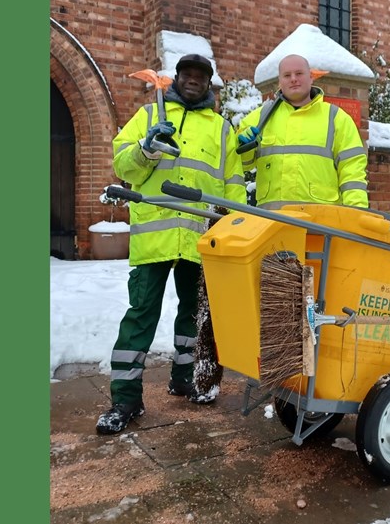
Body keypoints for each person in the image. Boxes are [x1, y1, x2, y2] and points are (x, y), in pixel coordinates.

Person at [96, 54, 246, 435]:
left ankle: (186, 379)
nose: (193, 80)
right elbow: (122, 165)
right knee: (141, 313)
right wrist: (146, 149)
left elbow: (232, 186)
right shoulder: (149, 115)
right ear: (177, 78)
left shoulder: (222, 129)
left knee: (193, 315)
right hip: (155, 236)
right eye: (187, 74)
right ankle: (125, 399)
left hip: (200, 238)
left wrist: (233, 230)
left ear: (209, 83)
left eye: (200, 76)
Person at [237, 54, 369, 208]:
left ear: (311, 77)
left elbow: (352, 170)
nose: (293, 79)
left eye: (299, 73)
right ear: (280, 82)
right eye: (287, 75)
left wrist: (356, 213)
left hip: (319, 223)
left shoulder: (336, 118)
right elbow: (239, 165)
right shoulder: (261, 117)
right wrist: (242, 144)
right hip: (272, 221)